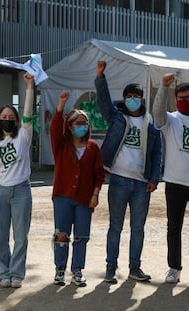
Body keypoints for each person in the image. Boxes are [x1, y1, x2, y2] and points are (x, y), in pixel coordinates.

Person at [95, 60, 162, 284]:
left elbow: (156, 152)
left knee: (138, 229)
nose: (132, 99)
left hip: (142, 184)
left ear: (142, 99)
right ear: (124, 99)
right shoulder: (116, 118)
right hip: (119, 181)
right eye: (129, 96)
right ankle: (111, 268)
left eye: (136, 96)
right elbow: (104, 103)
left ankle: (135, 267)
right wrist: (101, 77)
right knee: (115, 227)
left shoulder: (149, 121)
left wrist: (154, 178)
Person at [0, 73, 34, 289]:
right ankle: (3, 272)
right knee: (0, 237)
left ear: (16, 120)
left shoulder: (24, 135)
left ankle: (17, 274)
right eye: (4, 116)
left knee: (21, 236)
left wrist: (30, 87)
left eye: (11, 116)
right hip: (0, 193)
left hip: (22, 191)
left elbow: (28, 112)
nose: (7, 119)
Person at [50, 91, 105, 287]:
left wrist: (95, 195)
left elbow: (99, 174)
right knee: (62, 234)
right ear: (70, 126)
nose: (82, 126)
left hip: (84, 198)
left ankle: (77, 270)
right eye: (78, 123)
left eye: (85, 123)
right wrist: (61, 105)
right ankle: (60, 269)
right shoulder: (61, 145)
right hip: (63, 196)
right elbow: (55, 128)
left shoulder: (93, 147)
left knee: (82, 235)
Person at [152, 73, 189, 283]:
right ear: (176, 100)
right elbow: (158, 114)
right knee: (173, 228)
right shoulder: (172, 120)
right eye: (182, 98)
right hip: (175, 182)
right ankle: (174, 268)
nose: (185, 101)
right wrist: (163, 87)